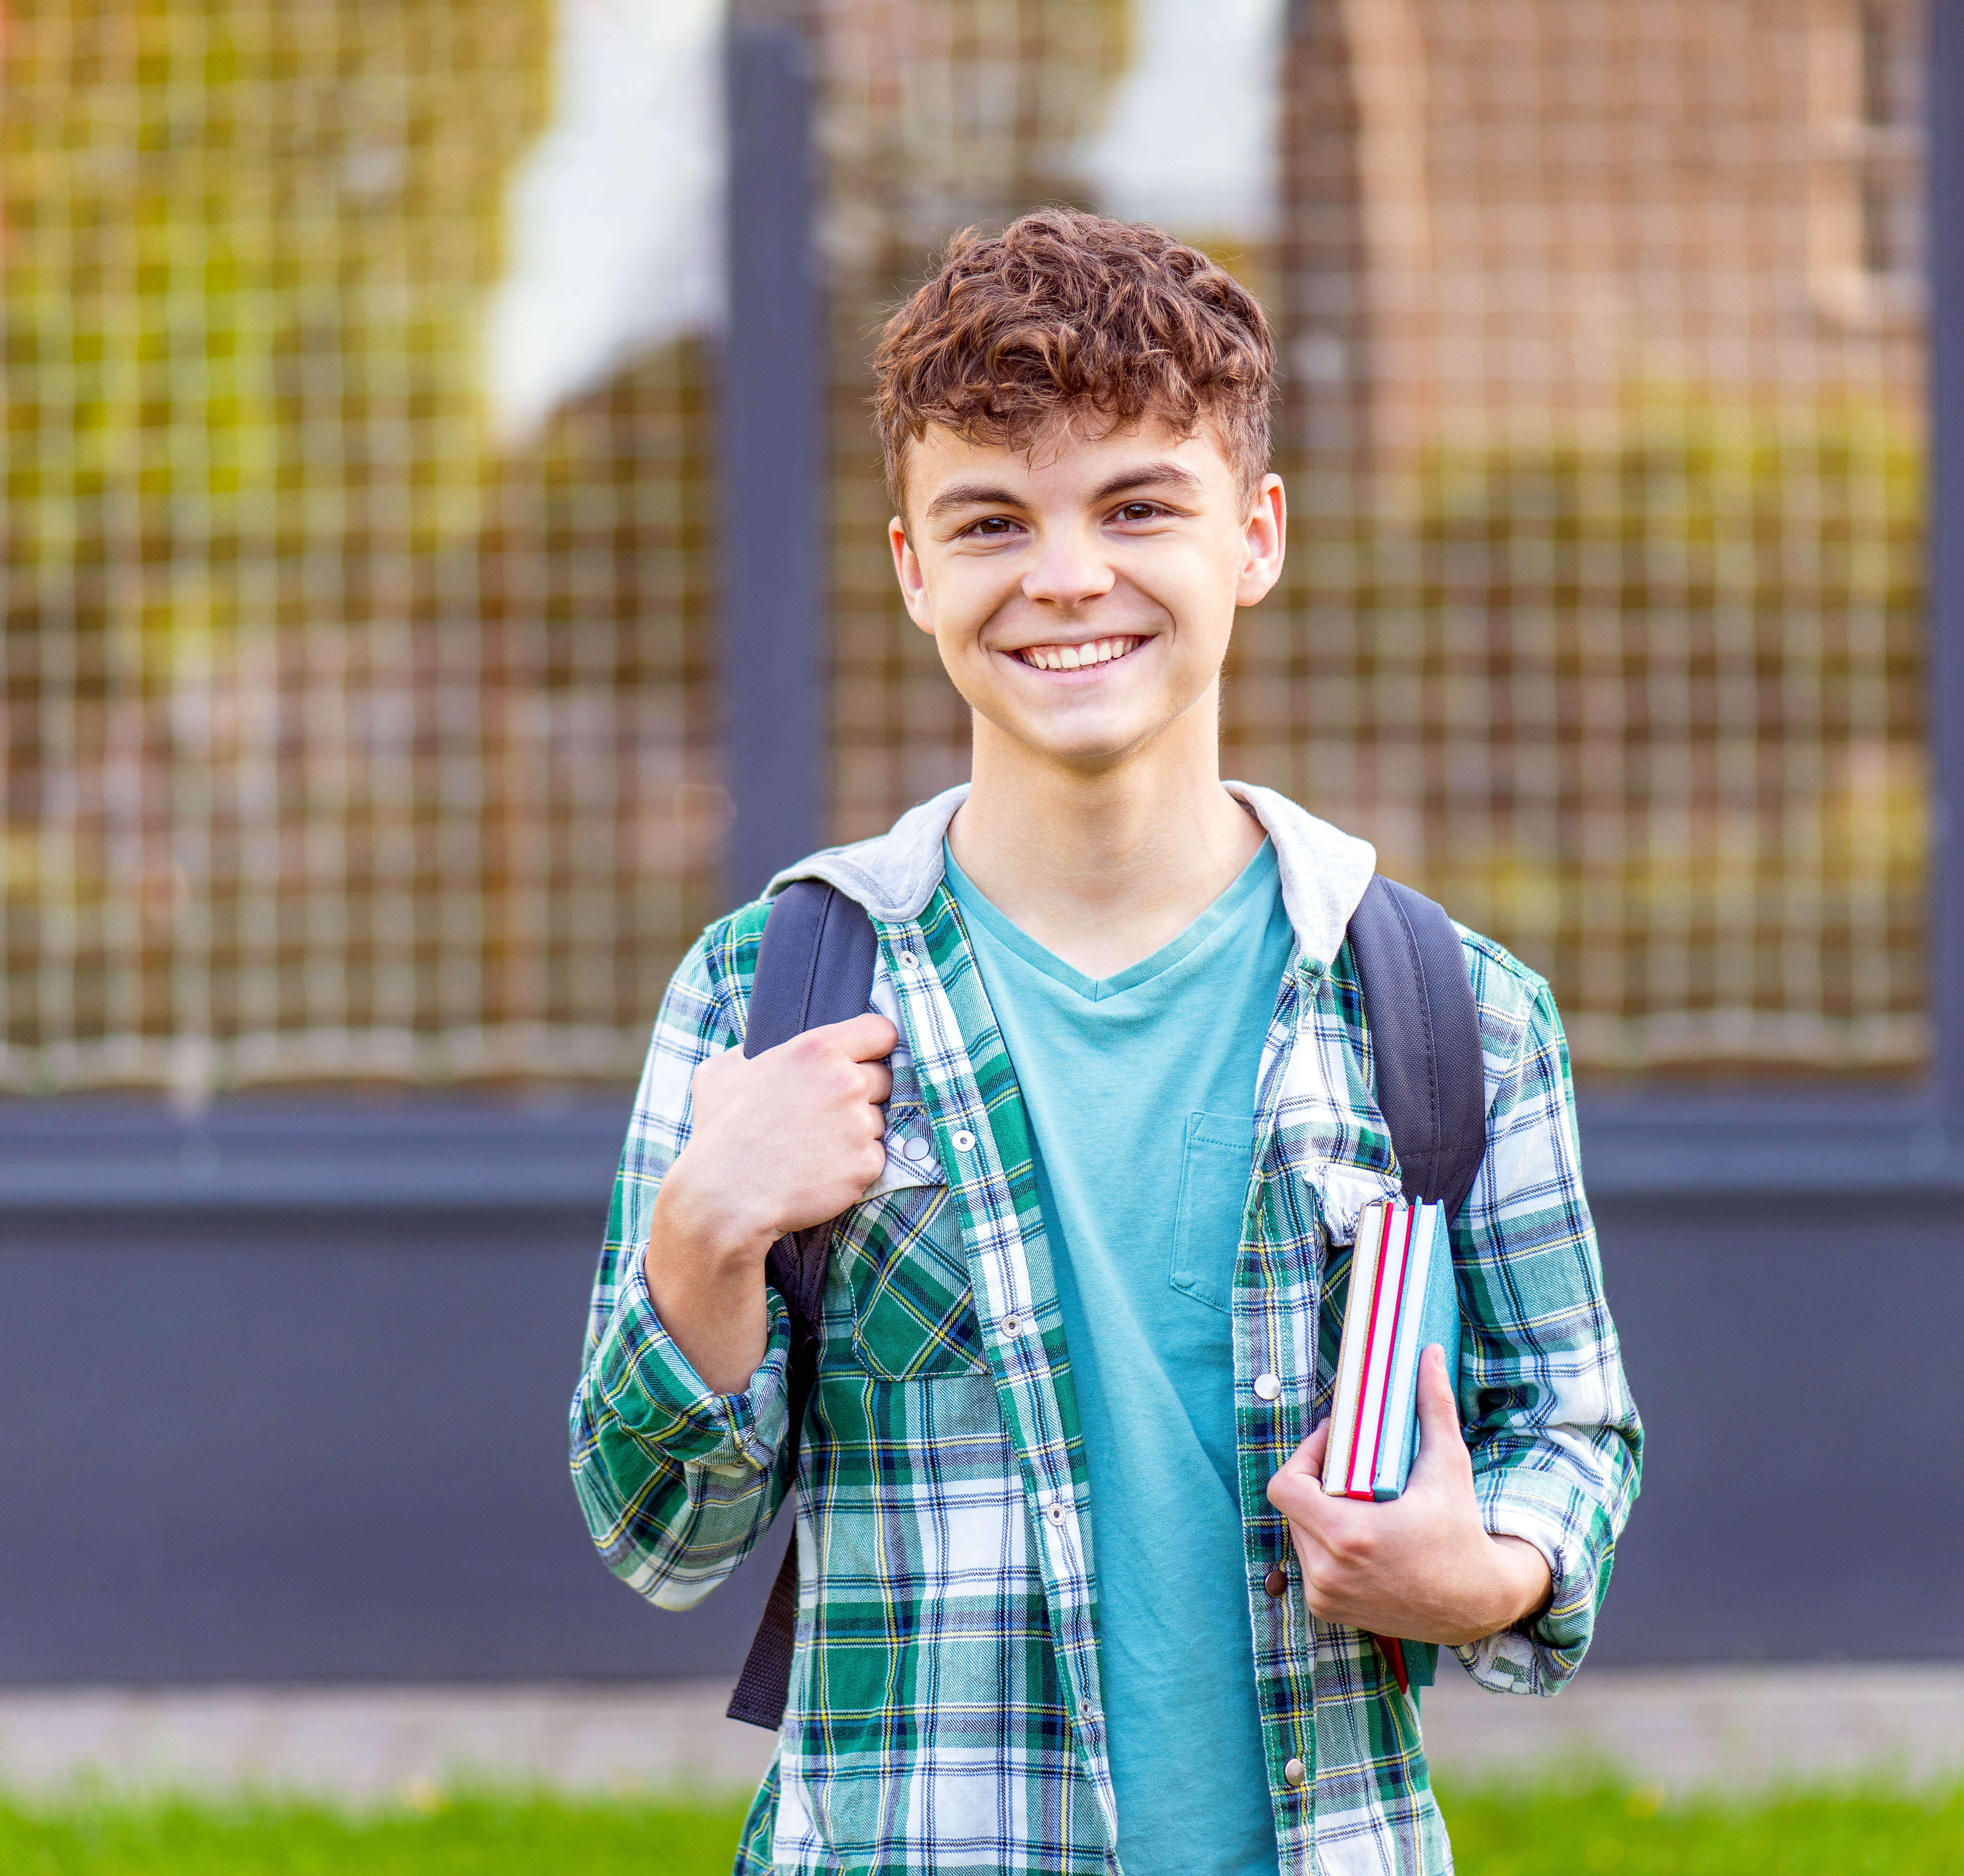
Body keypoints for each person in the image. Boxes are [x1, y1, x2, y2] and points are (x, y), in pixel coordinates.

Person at [570, 208, 1642, 1876]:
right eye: (991, 520)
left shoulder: (1445, 1007)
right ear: (914, 567)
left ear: (1256, 536)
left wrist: (1485, 1570)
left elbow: (1568, 1427)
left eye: (1136, 504)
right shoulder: (769, 992)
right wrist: (706, 1239)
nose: (1065, 575)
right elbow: (658, 1533)